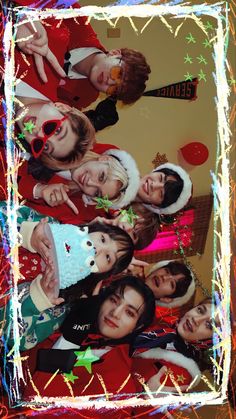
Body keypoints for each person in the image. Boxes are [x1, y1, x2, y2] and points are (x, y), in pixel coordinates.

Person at [1, 276, 155, 402]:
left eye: (130, 313)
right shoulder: (73, 318)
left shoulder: (119, 385)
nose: (115, 313)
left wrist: (70, 341)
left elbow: (37, 407)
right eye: (114, 300)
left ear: (137, 327)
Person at [14, 1, 151, 109]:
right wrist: (20, 16)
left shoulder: (86, 96)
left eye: (114, 89)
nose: (109, 81)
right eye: (118, 73)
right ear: (115, 54)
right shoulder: (76, 19)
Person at [0, 217, 134, 305]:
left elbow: (16, 337)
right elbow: (5, 212)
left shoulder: (60, 299)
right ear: (93, 230)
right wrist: (28, 233)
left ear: (104, 273)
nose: (97, 249)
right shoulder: (49, 225)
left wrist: (39, 297)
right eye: (103, 239)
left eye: (107, 257)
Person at [131, 298, 220, 401]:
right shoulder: (161, 327)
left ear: (212, 340)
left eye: (209, 325)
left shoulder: (184, 372)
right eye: (200, 310)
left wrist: (144, 392)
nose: (196, 320)